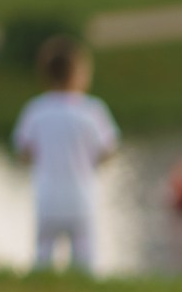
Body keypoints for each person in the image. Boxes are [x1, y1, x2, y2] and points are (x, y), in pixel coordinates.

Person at [11, 36, 120, 273]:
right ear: (78, 73)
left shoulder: (35, 110)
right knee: (84, 258)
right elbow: (108, 150)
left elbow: (23, 152)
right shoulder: (92, 110)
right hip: (81, 197)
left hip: (47, 197)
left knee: (43, 253)